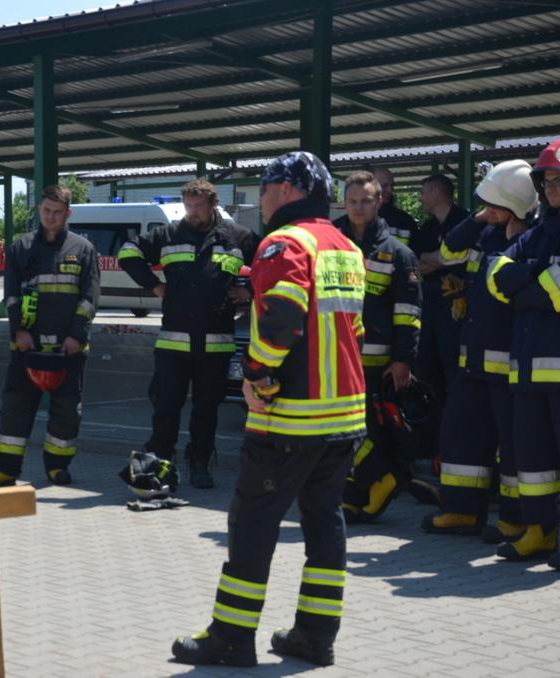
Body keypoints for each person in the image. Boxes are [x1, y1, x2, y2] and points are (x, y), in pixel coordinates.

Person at [172, 151, 366, 668]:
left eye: (264, 185)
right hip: (344, 416)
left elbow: (281, 318)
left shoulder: (285, 242)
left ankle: (232, 637)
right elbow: (354, 330)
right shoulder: (345, 245)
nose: (260, 196)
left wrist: (256, 373)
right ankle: (314, 636)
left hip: (292, 418)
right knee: (325, 526)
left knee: (252, 524)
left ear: (286, 189)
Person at [487, 137, 560, 572]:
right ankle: (540, 531)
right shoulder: (539, 232)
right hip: (528, 367)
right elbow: (494, 273)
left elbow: (557, 291)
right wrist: (528, 282)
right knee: (531, 458)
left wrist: (525, 282)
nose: (552, 187)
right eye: (546, 180)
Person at [422, 160, 537, 540]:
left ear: (517, 206)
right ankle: (460, 510)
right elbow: (448, 251)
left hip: (509, 364)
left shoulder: (533, 237)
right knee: (460, 435)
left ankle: (516, 517)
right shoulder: (485, 234)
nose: (488, 209)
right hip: (471, 360)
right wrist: (478, 218)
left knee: (514, 446)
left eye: (495, 203)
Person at [118, 179, 259, 488]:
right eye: (188, 206)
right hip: (173, 344)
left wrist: (248, 290)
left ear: (212, 204)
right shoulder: (168, 234)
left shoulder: (237, 237)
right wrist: (155, 285)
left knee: (206, 411)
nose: (192, 212)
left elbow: (270, 264)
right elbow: (128, 253)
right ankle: (160, 468)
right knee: (166, 408)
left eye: (198, 206)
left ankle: (200, 463)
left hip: (216, 344)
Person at [0, 185, 99, 488]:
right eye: (46, 210)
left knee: (67, 411)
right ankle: (4, 469)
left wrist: (76, 336)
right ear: (39, 210)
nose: (51, 217)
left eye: (58, 212)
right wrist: (18, 331)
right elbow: (12, 296)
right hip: (26, 348)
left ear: (68, 213)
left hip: (68, 350)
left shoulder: (83, 249)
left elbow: (89, 298)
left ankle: (57, 467)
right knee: (15, 408)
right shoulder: (21, 248)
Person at [335, 172, 422, 523]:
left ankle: (367, 491)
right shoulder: (330, 244)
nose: (358, 207)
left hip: (376, 362)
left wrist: (403, 360)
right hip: (334, 357)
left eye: (366, 201)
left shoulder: (398, 254)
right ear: (344, 203)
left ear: (379, 201)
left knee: (367, 429)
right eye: (353, 201)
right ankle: (374, 482)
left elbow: (409, 312)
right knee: (340, 430)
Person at [409, 175, 470, 459]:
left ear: (436, 192)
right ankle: (429, 445)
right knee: (426, 371)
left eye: (422, 192)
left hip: (457, 313)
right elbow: (420, 264)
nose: (420, 198)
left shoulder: (465, 222)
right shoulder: (426, 228)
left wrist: (439, 259)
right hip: (430, 311)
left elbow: (464, 257)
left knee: (454, 374)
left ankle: (458, 442)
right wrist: (446, 258)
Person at [373, 167, 419, 246]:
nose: (390, 190)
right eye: (384, 185)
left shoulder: (405, 221)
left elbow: (416, 254)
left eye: (392, 186)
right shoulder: (355, 219)